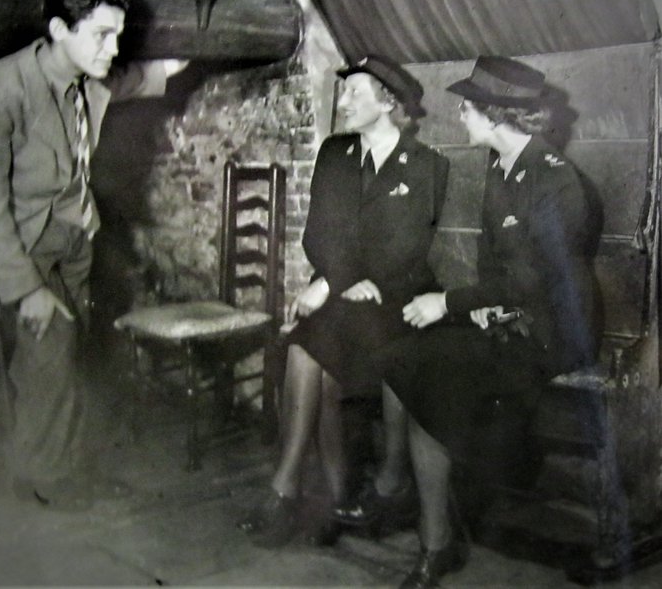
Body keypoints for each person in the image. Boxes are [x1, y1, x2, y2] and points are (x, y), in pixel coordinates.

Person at [0, 0, 187, 511]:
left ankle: (65, 469)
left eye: (119, 35)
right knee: (47, 358)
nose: (113, 48)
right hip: (26, 247)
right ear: (60, 28)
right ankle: (45, 484)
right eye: (102, 35)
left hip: (77, 239)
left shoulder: (91, 76)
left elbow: (131, 79)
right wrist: (25, 289)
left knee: (71, 356)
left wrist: (176, 65)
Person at [379, 56, 597, 588]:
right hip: (511, 314)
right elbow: (498, 267)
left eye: (467, 107)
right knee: (399, 353)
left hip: (552, 332)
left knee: (426, 365)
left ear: (496, 114)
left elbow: (534, 282)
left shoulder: (555, 180)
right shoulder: (500, 166)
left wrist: (451, 304)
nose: (459, 114)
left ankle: (436, 543)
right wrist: (476, 305)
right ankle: (400, 492)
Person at [238, 55, 449, 547]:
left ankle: (294, 493)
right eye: (344, 91)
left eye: (356, 92)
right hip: (346, 288)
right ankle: (313, 492)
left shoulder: (426, 166)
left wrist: (333, 283)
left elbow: (404, 248)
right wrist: (339, 280)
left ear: (389, 102)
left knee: (316, 340)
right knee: (306, 344)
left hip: (397, 296)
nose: (345, 101)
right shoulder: (335, 153)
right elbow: (319, 234)